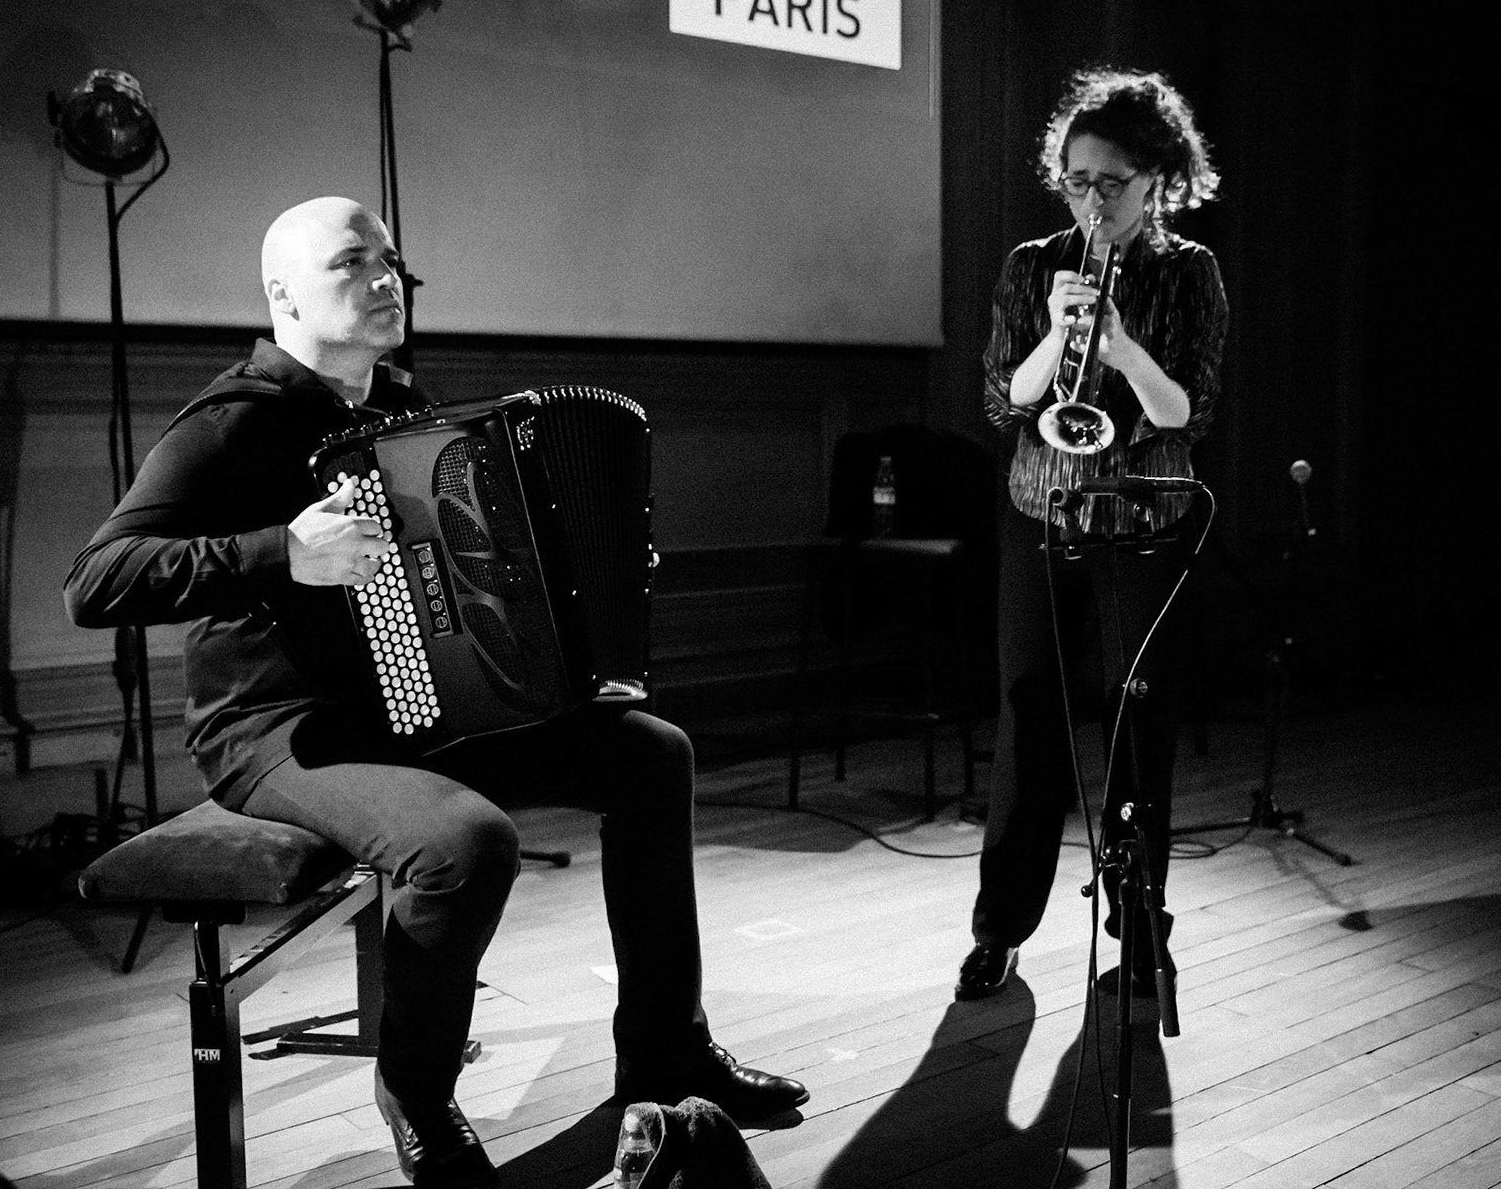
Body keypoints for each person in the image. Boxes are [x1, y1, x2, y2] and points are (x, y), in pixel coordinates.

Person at [64, 196, 807, 1188]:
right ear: (282, 294)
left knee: (649, 752)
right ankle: (415, 1089)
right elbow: (97, 579)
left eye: (390, 257)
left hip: (410, 705)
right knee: (464, 842)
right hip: (278, 728)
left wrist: (578, 575)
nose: (384, 276)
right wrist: (281, 550)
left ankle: (666, 1044)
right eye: (352, 260)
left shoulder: (396, 410)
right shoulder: (232, 423)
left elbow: (468, 563)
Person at [955, 69, 1226, 1001]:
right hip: (1043, 515)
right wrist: (1057, 334)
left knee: (1137, 728)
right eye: (1075, 179)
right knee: (1028, 724)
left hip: (1146, 526)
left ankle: (1141, 930)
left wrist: (1119, 347)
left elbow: (1185, 412)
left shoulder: (1189, 271)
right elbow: (1004, 399)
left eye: (1110, 182)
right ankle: (1001, 929)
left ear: (1157, 177)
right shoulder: (1035, 265)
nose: (1091, 198)